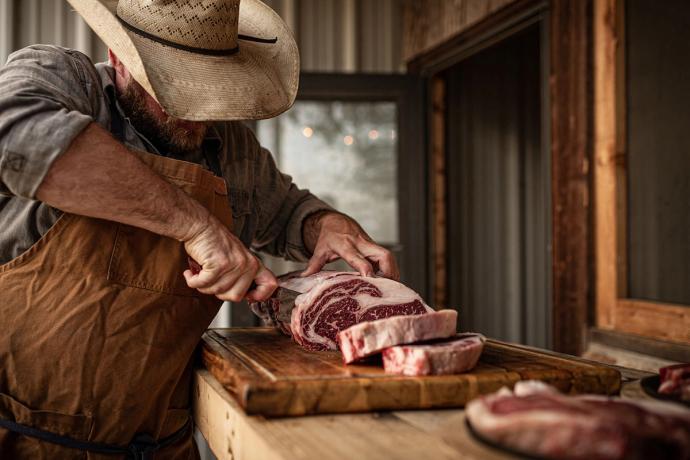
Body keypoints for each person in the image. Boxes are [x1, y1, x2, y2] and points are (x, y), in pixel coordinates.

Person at [0, 0, 397, 457]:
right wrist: (197, 227)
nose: (197, 110)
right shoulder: (66, 81)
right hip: (26, 444)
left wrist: (327, 224)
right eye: (176, 89)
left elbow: (290, 210)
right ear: (118, 59)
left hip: (164, 448)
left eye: (211, 89)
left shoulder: (230, 149)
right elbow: (13, 133)